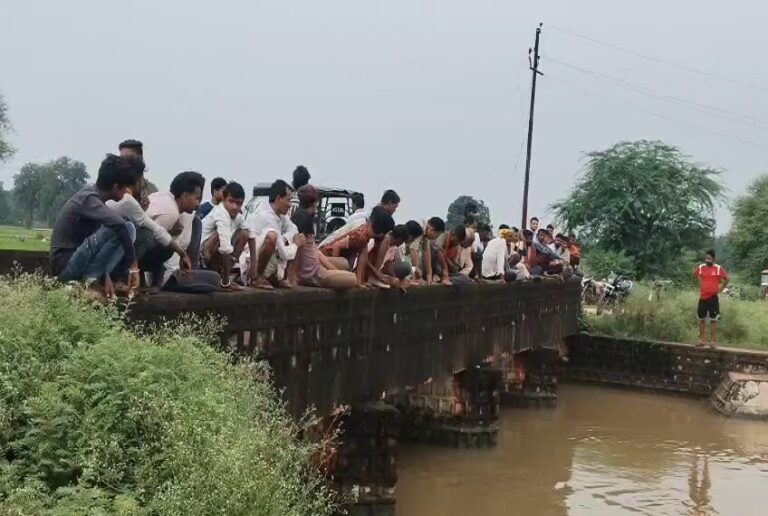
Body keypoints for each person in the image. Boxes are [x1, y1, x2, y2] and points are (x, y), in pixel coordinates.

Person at [50, 154, 144, 298]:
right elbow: (119, 223)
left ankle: (96, 279)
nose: (127, 192)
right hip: (66, 265)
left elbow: (101, 251)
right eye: (125, 187)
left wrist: (105, 275)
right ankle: (90, 282)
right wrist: (133, 267)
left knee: (128, 227)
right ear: (116, 186)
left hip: (80, 260)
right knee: (122, 226)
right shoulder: (88, 198)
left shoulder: (97, 201)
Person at [106, 172, 196, 288]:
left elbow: (153, 228)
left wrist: (182, 253)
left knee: (144, 235)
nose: (146, 194)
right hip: (107, 251)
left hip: (114, 248)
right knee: (149, 238)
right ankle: (117, 277)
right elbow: (156, 233)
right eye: (142, 186)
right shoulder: (127, 200)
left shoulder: (159, 200)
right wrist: (134, 269)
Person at [140, 171, 206, 288]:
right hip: (133, 252)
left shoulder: (163, 196)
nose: (198, 203)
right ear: (184, 195)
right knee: (166, 248)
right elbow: (150, 240)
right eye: (196, 198)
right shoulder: (171, 212)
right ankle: (148, 282)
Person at [200, 182, 258, 290]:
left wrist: (254, 268)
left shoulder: (237, 217)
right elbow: (225, 248)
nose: (234, 207)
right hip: (202, 257)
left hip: (218, 252)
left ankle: (222, 275)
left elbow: (251, 236)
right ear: (223, 199)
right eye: (231, 202)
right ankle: (222, 278)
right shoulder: (220, 213)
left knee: (243, 234)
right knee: (221, 234)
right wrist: (226, 282)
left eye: (238, 203)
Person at [247, 179, 301, 289]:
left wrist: (286, 238)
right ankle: (256, 277)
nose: (290, 205)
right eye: (288, 200)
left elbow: (294, 229)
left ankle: (275, 277)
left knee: (293, 236)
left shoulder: (280, 216)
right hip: (250, 262)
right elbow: (283, 254)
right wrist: (296, 245)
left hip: (270, 262)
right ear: (278, 199)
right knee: (272, 237)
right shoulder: (266, 216)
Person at [292, 210, 357, 290]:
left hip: (316, 268)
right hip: (316, 275)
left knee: (344, 263)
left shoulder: (302, 236)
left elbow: (316, 253)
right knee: (353, 278)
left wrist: (332, 268)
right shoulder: (300, 239)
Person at [694, 250, 729, 348]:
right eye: (706, 258)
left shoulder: (718, 268)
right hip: (702, 298)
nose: (707, 260)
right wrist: (702, 284)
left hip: (713, 298)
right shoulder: (701, 267)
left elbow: (727, 278)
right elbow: (695, 274)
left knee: (713, 320)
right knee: (702, 319)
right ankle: (701, 341)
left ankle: (713, 342)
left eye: (709, 258)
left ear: (713, 259)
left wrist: (721, 289)